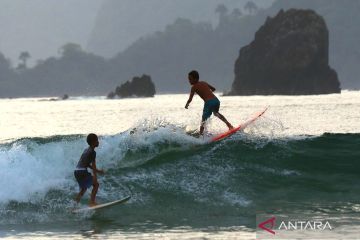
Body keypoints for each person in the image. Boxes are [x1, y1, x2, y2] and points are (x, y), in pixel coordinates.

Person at [185, 70, 234, 135]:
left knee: (203, 121)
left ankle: (201, 135)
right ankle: (229, 125)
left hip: (208, 103)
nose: (189, 81)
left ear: (195, 79)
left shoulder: (193, 87)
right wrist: (207, 92)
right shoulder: (204, 82)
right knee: (216, 113)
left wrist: (187, 104)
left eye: (190, 79)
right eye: (189, 79)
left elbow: (190, 99)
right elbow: (213, 89)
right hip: (216, 100)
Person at [74, 133, 104, 206]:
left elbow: (85, 163)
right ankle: (92, 202)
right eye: (97, 140)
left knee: (83, 189)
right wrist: (95, 177)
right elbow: (93, 165)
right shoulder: (93, 152)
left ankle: (73, 206)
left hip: (76, 171)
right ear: (93, 142)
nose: (98, 142)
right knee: (96, 184)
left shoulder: (86, 150)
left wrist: (98, 170)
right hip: (82, 172)